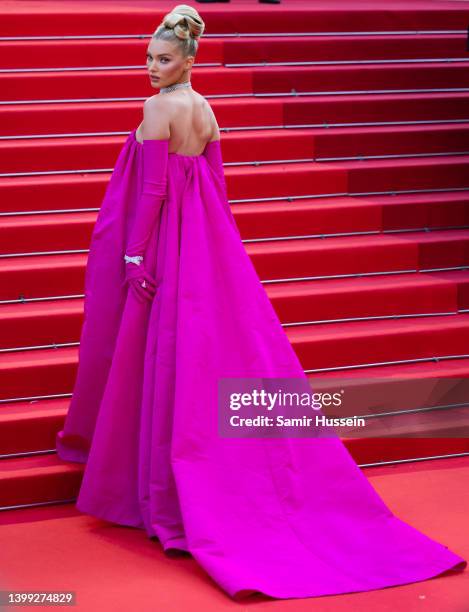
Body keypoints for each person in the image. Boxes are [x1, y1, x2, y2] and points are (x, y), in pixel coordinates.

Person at [56, 4, 466, 601]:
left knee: (162, 355)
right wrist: (214, 248)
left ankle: (151, 490)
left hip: (162, 241)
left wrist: (133, 257)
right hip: (201, 238)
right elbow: (216, 184)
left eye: (163, 58)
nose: (151, 67)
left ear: (189, 58)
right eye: (148, 57)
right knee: (203, 352)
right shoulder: (205, 108)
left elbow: (149, 191)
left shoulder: (158, 108)